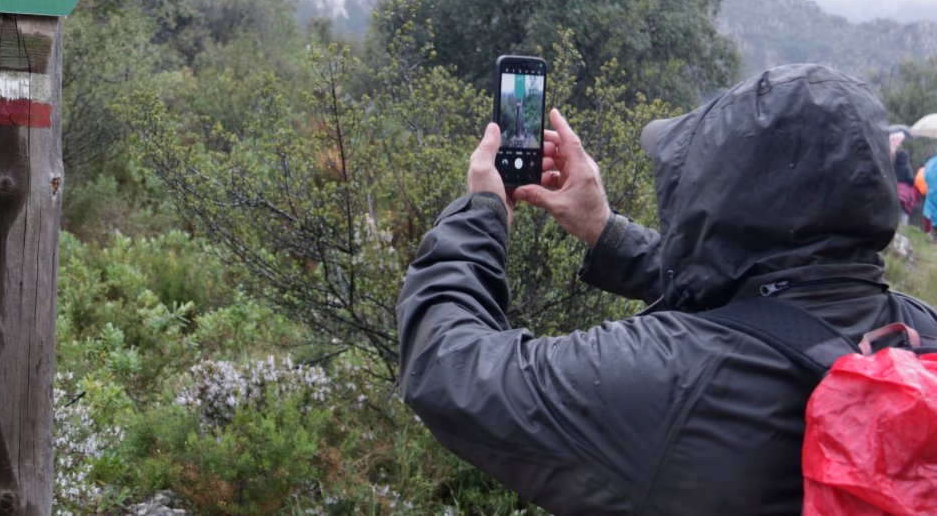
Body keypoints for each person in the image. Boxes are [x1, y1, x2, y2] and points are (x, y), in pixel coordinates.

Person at [396, 64, 937, 515]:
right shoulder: (920, 333)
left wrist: (481, 215)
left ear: (723, 198)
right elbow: (769, 302)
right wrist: (606, 231)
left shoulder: (667, 376)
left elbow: (448, 367)